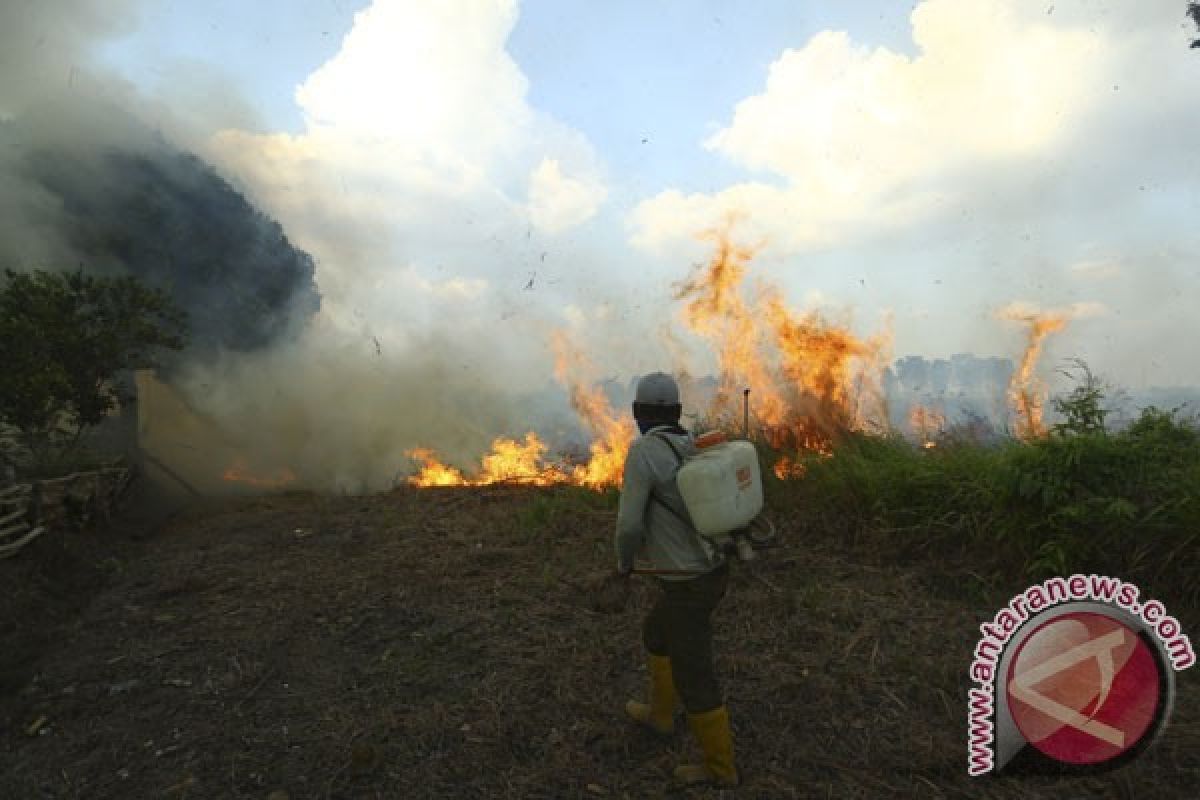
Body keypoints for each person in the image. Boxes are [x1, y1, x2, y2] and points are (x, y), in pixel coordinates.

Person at [613, 371, 738, 787]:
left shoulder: (644, 452)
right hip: (715, 568)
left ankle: (721, 770)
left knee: (694, 670)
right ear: (678, 412)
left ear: (637, 413)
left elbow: (629, 525)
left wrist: (623, 565)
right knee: (656, 633)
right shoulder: (692, 444)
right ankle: (661, 715)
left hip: (688, 581)